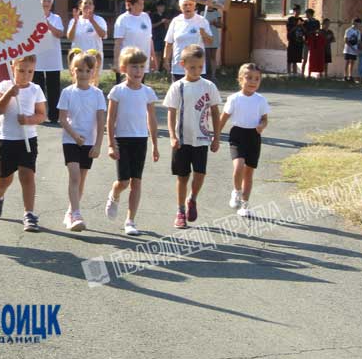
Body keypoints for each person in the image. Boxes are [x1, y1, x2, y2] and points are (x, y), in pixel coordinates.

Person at [163, 44, 221, 228]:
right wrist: (172, 136)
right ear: (183, 65)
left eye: (200, 67)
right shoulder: (178, 87)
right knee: (182, 176)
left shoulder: (209, 86)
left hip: (202, 138)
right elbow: (171, 112)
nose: (197, 71)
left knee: (200, 173)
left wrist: (217, 137)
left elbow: (215, 112)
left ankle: (192, 198)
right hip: (182, 139)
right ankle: (180, 211)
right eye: (192, 67)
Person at [105, 47, 160, 235]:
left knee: (136, 181)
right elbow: (110, 119)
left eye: (141, 67)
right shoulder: (117, 91)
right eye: (134, 67)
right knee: (123, 181)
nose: (138, 71)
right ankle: (114, 194)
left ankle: (130, 220)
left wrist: (154, 144)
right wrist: (111, 144)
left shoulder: (148, 92)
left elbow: (152, 120)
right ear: (124, 68)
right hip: (122, 139)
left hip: (140, 140)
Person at [0, 54, 47, 232]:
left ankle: (29, 213)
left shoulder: (35, 89)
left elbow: (41, 114)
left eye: (30, 71)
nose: (26, 75)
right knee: (6, 178)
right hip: (7, 139)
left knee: (27, 175)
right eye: (21, 70)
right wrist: (9, 94)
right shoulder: (5, 86)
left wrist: (29, 120)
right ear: (13, 67)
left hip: (28, 139)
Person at [57, 50, 106, 232]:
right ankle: (77, 213)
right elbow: (62, 119)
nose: (84, 74)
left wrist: (98, 144)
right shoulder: (67, 92)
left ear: (93, 72)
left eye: (87, 70)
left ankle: (70, 211)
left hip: (90, 142)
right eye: (80, 70)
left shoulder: (98, 94)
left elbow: (101, 122)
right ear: (73, 70)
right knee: (74, 175)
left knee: (82, 179)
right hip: (70, 140)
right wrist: (75, 135)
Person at [220, 63, 270, 217]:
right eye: (249, 78)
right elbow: (224, 117)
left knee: (248, 173)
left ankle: (245, 205)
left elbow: (264, 119)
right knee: (239, 166)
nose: (253, 82)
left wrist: (262, 126)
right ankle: (236, 191)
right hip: (238, 135)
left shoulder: (260, 100)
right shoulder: (234, 98)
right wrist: (215, 134)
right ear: (240, 79)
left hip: (254, 137)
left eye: (257, 79)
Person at [163, 0, 213, 82]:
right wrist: (166, 60)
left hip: (197, 67)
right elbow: (169, 43)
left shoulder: (202, 21)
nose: (188, 7)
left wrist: (204, 34)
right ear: (180, 7)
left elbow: (210, 42)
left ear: (194, 6)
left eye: (190, 4)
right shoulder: (176, 21)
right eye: (185, 5)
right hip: (179, 66)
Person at [32, 0, 64, 123]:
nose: (45, 3)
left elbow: (59, 33)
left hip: (52, 58)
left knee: (53, 88)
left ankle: (54, 116)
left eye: (48, 1)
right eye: (43, 1)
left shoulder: (56, 18)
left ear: (51, 4)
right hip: (37, 57)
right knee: (37, 87)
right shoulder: (33, 17)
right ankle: (39, 114)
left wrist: (48, 24)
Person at [113, 0, 157, 84]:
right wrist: (116, 62)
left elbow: (149, 39)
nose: (142, 7)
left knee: (139, 91)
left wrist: (153, 57)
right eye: (139, 4)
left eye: (143, 4)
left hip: (142, 62)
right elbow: (118, 43)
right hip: (127, 63)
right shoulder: (122, 19)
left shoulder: (146, 17)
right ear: (130, 4)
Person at [67, 0, 108, 82]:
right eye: (85, 3)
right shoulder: (74, 20)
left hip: (94, 57)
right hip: (78, 57)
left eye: (90, 3)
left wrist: (92, 21)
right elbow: (70, 37)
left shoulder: (99, 20)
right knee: (77, 82)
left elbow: (103, 35)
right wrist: (75, 22)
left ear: (93, 7)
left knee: (93, 83)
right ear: (80, 6)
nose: (88, 5)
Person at [203, 3, 223, 81]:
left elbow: (221, 25)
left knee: (213, 56)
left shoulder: (217, 13)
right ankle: (204, 74)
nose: (210, 5)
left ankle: (213, 75)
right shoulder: (202, 13)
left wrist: (215, 23)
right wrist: (208, 23)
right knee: (204, 56)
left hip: (214, 36)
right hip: (205, 36)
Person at [150, 1, 170, 72]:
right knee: (156, 53)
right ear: (157, 7)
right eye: (161, 6)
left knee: (162, 53)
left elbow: (167, 27)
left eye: (163, 7)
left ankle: (161, 69)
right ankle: (155, 69)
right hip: (156, 36)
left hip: (163, 36)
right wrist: (161, 22)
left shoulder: (165, 15)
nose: (162, 8)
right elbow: (152, 26)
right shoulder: (153, 15)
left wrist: (166, 23)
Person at [300, 8, 320, 77]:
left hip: (313, 41)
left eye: (307, 13)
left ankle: (309, 74)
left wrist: (313, 33)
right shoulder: (305, 22)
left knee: (312, 59)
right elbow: (303, 32)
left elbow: (318, 31)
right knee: (305, 59)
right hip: (306, 41)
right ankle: (302, 74)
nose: (306, 15)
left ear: (310, 14)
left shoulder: (316, 22)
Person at [286, 5, 304, 76]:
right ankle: (288, 73)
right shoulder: (290, 19)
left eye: (299, 11)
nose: (298, 12)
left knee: (296, 59)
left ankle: (295, 74)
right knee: (290, 58)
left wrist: (301, 25)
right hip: (292, 41)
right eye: (296, 11)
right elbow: (289, 30)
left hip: (299, 41)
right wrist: (297, 25)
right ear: (294, 11)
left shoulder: (301, 19)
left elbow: (304, 30)